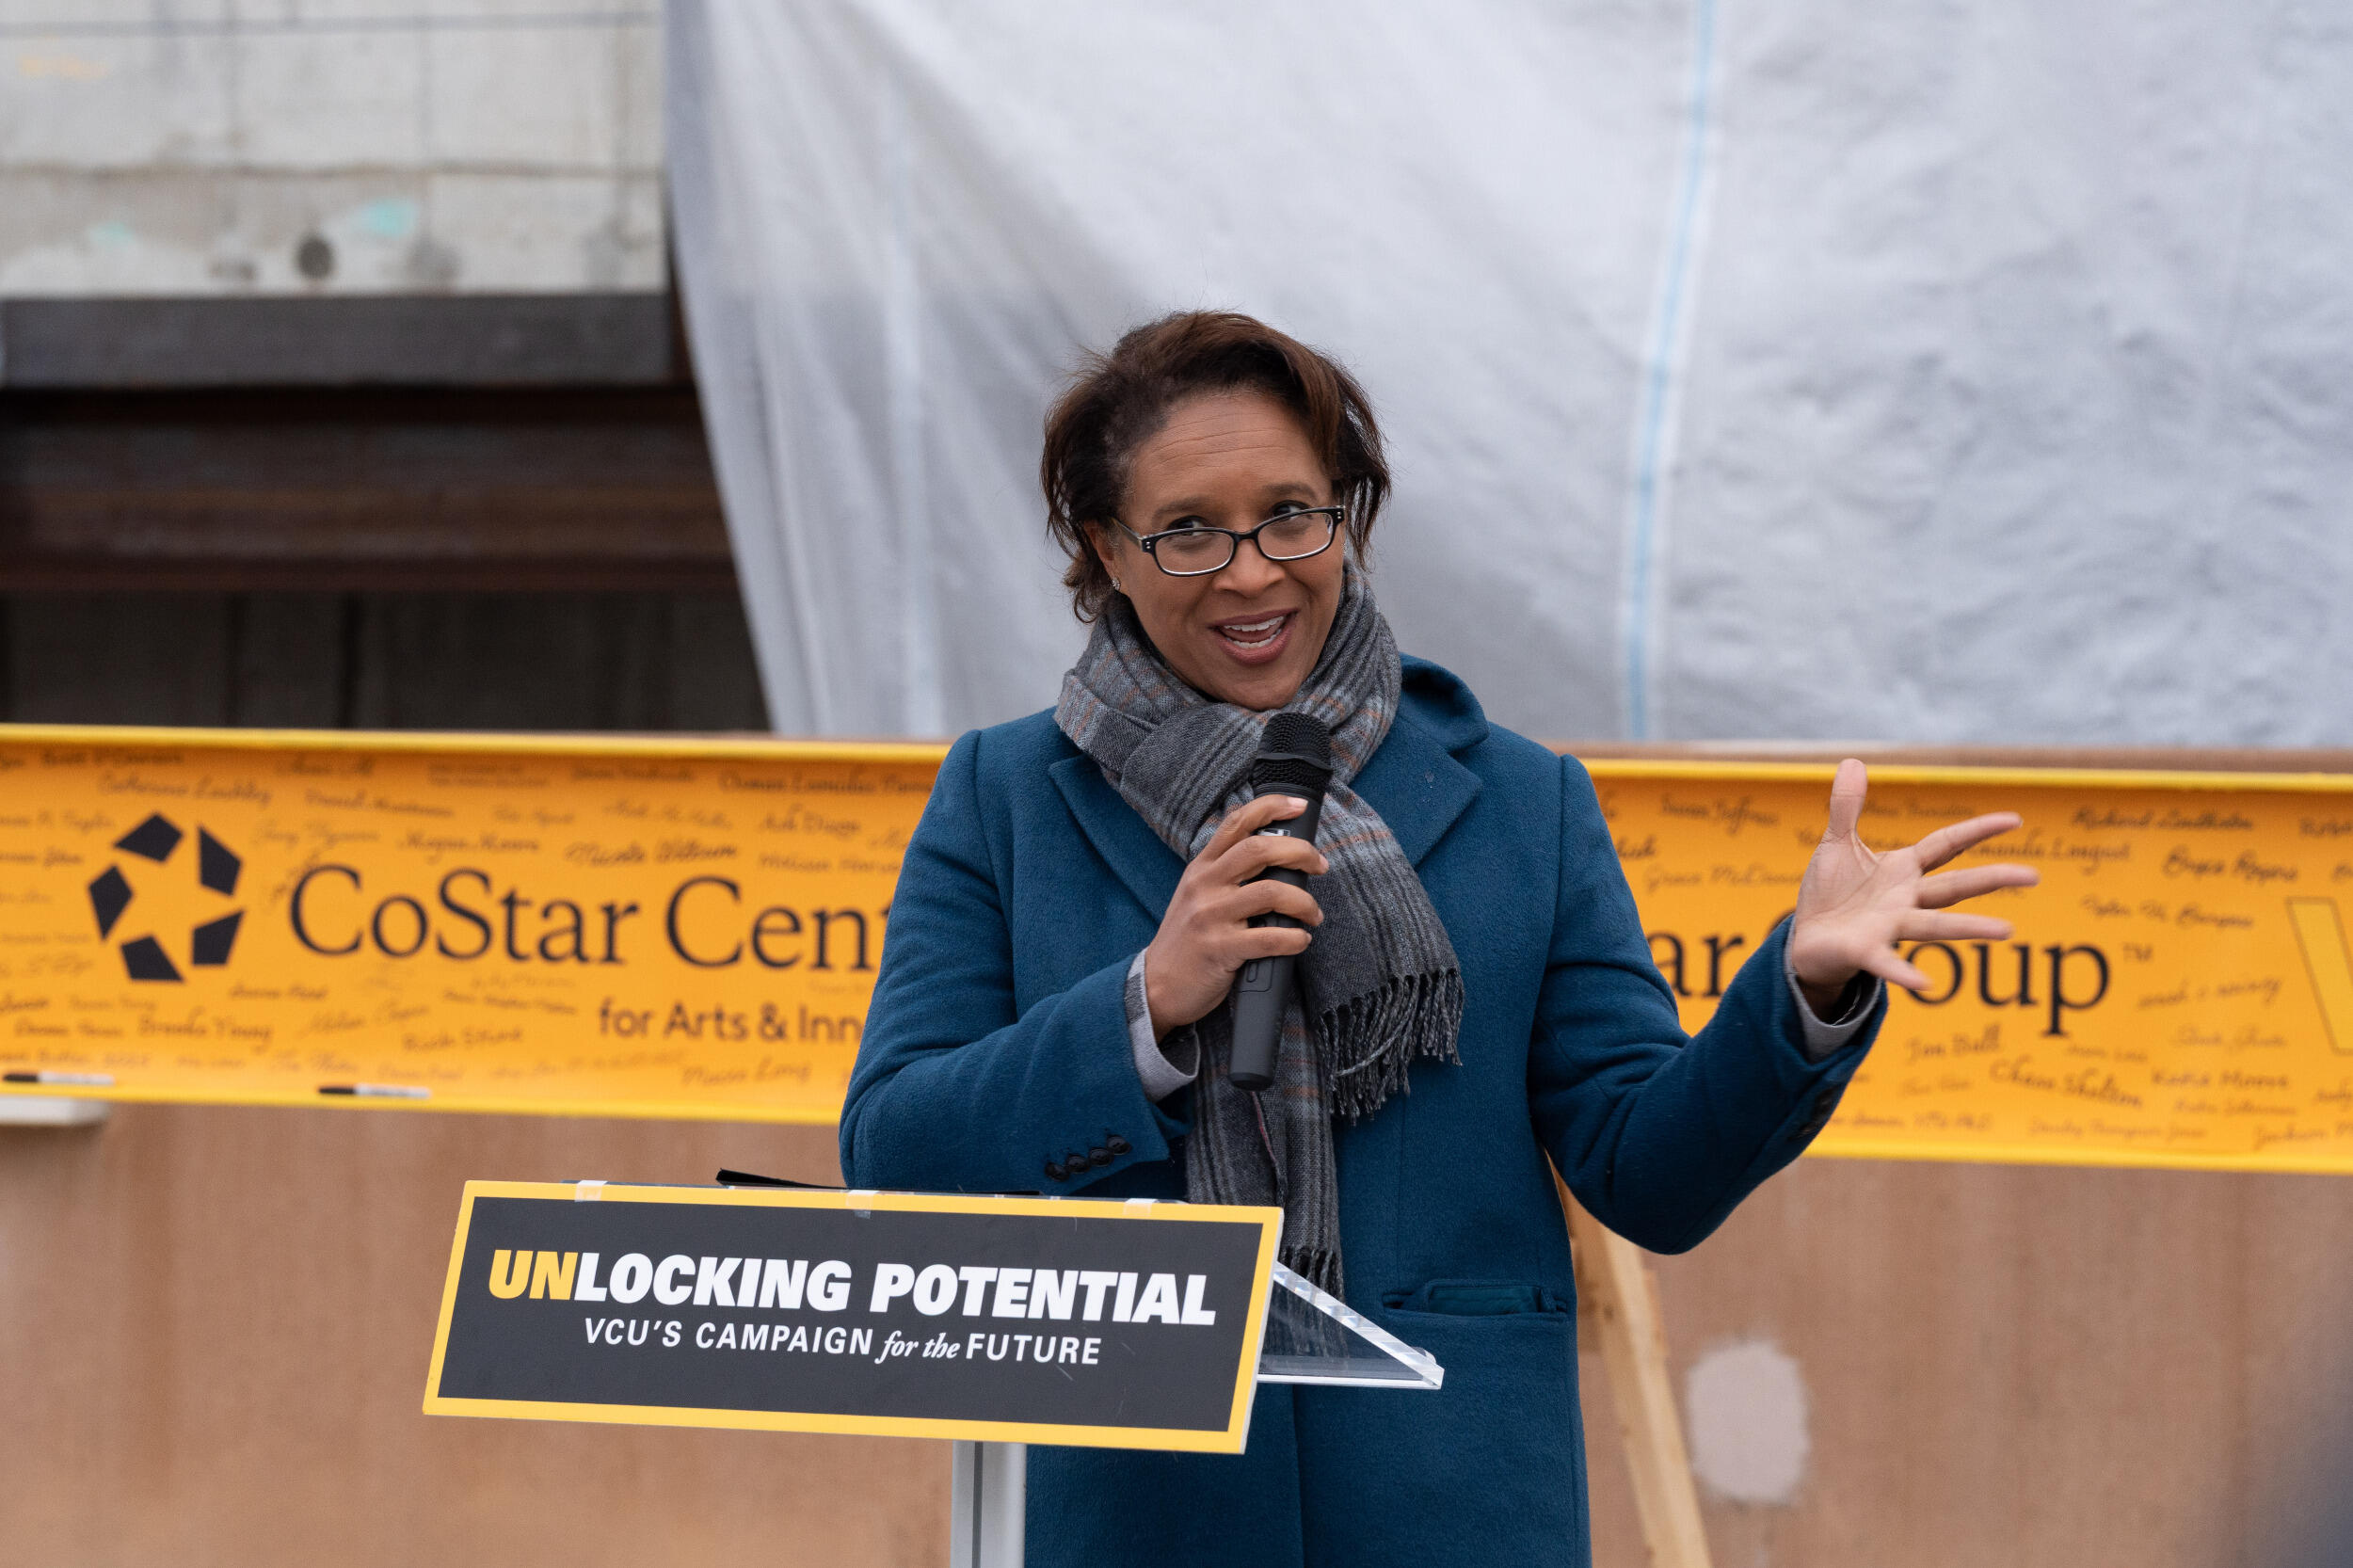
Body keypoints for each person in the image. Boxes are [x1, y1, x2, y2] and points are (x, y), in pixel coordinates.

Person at [840, 311, 2035, 1567]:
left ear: (1345, 520)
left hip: (1455, 1513)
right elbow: (897, 1147)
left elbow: (1651, 1170)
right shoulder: (1008, 799)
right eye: (1189, 529)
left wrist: (1799, 990)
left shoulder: (1524, 802)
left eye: (1292, 513)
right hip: (1143, 1516)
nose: (1251, 571)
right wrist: (1146, 1001)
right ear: (1108, 548)